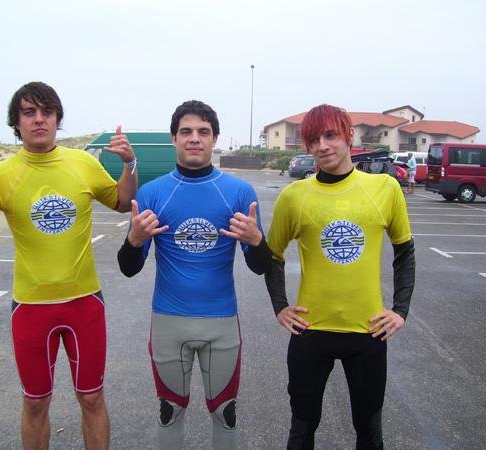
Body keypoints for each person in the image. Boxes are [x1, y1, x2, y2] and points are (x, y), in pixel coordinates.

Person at [0, 81, 138, 450]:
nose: (39, 119)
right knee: (35, 403)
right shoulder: (0, 176)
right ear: (17, 122)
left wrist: (130, 164)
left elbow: (123, 202)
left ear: (58, 119)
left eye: (47, 112)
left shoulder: (83, 164)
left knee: (92, 397)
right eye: (29, 112)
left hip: (85, 304)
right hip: (30, 308)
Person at [117, 100, 271, 449]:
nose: (194, 138)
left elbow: (260, 266)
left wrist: (257, 241)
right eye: (186, 131)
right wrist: (134, 240)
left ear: (215, 139)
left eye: (203, 131)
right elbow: (129, 268)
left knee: (226, 413)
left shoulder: (239, 193)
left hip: (221, 321)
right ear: (174, 138)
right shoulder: (152, 193)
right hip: (168, 321)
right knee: (169, 411)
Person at [264, 104, 415, 450]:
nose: (322, 146)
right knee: (301, 430)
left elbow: (405, 251)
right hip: (311, 331)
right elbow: (273, 256)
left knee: (369, 431)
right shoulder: (294, 196)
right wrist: (280, 307)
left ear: (348, 136)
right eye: (313, 139)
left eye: (330, 135)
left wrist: (400, 310)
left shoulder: (384, 188)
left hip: (368, 332)